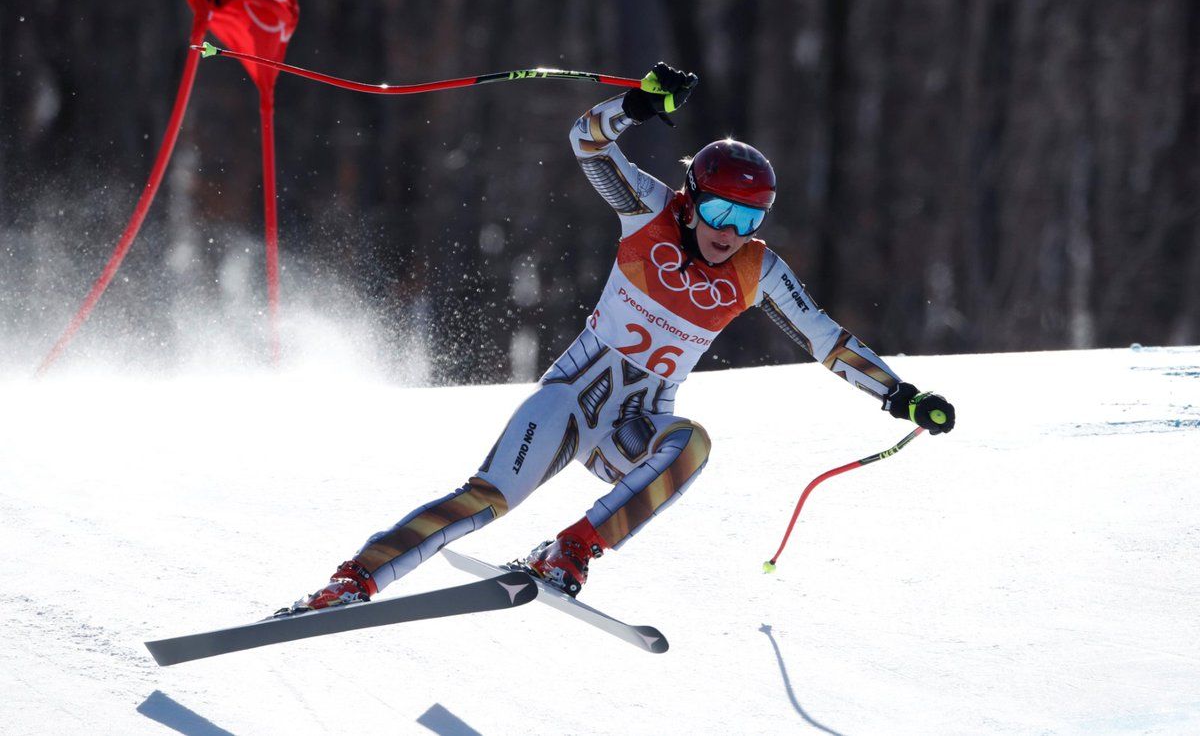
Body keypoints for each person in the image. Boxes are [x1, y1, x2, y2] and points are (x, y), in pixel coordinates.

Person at [288, 63, 956, 610]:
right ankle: (355, 580)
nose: (729, 232)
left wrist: (901, 396)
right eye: (720, 210)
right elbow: (586, 142)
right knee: (486, 499)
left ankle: (571, 549)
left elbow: (829, 342)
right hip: (571, 403)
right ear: (693, 199)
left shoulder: (757, 272)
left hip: (634, 430)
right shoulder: (648, 212)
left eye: (748, 220)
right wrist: (635, 106)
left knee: (692, 444)